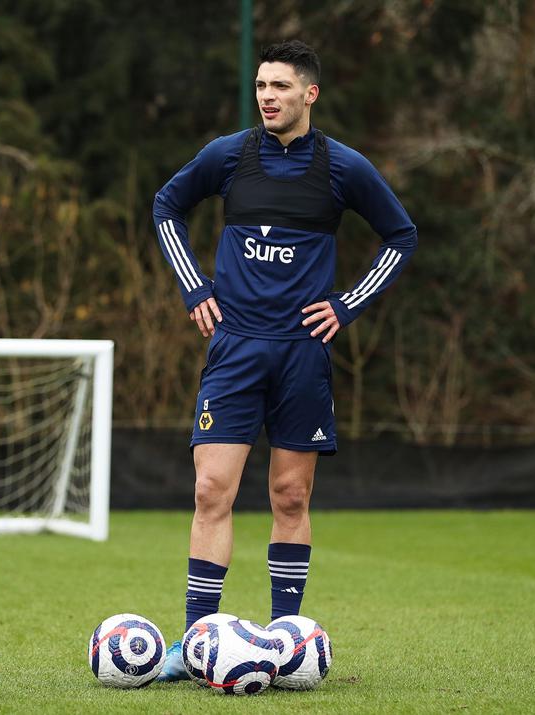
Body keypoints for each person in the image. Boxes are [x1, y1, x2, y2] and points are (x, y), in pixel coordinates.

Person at [152, 40, 418, 681]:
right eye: (261, 86)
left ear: (310, 94)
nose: (267, 96)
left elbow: (401, 235)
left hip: (302, 355)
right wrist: (194, 287)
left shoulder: (342, 167)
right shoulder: (229, 155)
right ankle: (196, 646)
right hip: (236, 349)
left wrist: (346, 305)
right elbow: (167, 206)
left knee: (290, 496)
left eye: (280, 86)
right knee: (212, 490)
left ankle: (285, 644)